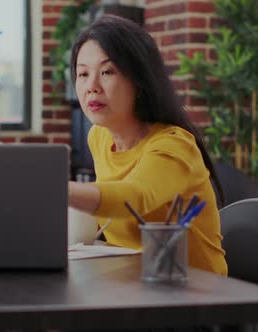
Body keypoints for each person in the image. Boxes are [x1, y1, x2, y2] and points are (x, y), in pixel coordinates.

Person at [67, 15, 227, 276]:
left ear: (139, 81)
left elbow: (134, 197)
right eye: (83, 74)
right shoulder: (99, 137)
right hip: (133, 284)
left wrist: (55, 189)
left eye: (107, 72)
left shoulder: (174, 145)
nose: (91, 87)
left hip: (195, 294)